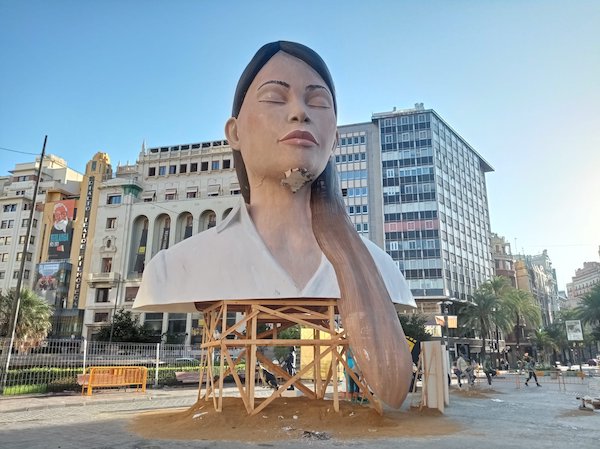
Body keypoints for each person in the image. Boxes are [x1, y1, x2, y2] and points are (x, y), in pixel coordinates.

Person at [133, 41, 416, 408]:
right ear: (234, 133)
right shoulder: (173, 267)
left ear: (335, 140)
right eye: (275, 97)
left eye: (317, 102)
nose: (299, 112)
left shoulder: (381, 270)